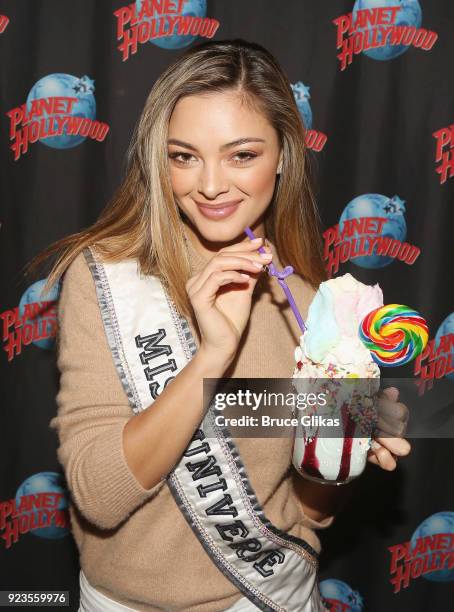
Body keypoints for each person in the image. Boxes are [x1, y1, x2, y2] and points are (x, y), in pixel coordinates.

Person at [28, 39, 411, 612]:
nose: (210, 185)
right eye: (184, 156)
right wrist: (211, 356)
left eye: (241, 155)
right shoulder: (107, 277)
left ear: (283, 155)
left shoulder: (309, 307)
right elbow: (97, 498)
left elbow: (308, 513)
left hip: (269, 598)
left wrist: (341, 448)